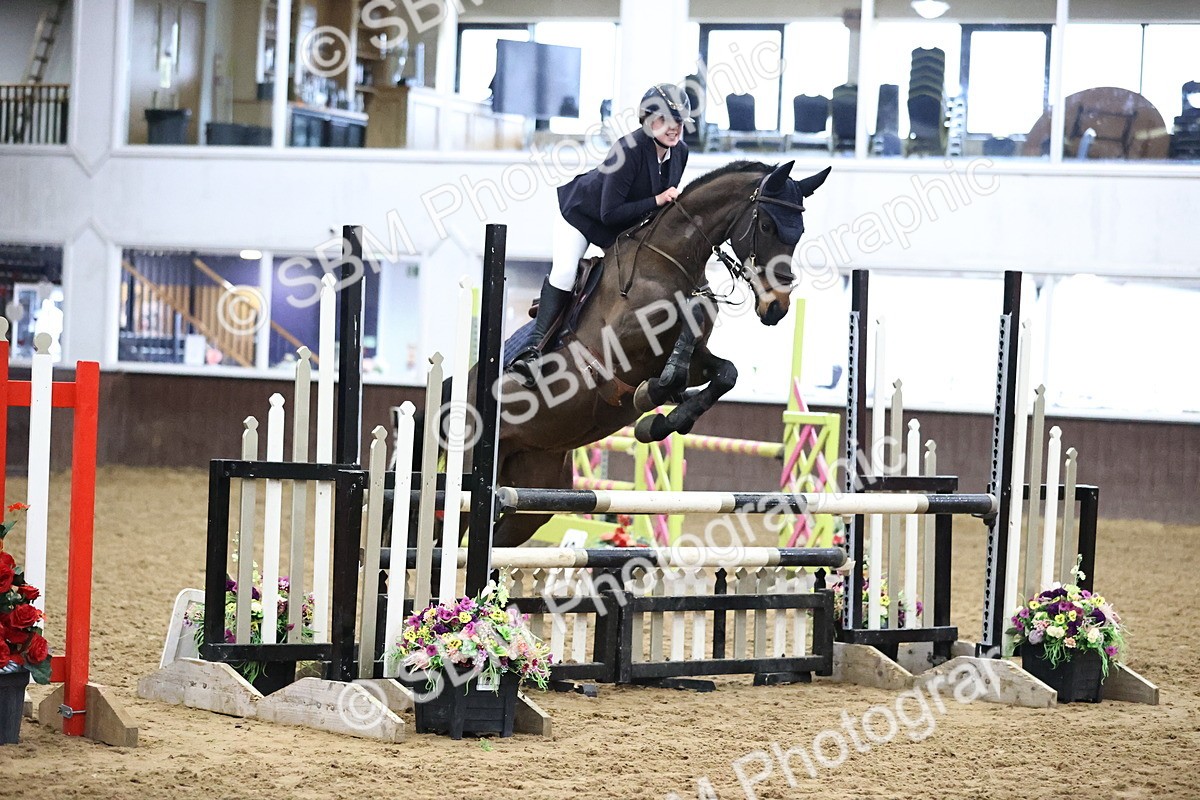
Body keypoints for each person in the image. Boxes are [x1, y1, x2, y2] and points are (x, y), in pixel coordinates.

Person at [508, 83, 692, 386]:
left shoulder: (680, 153)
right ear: (648, 120)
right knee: (565, 272)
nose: (675, 128)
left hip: (623, 229)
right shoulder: (628, 149)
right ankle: (532, 352)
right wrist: (657, 200)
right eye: (666, 120)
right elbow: (610, 213)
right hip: (583, 216)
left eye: (680, 122)